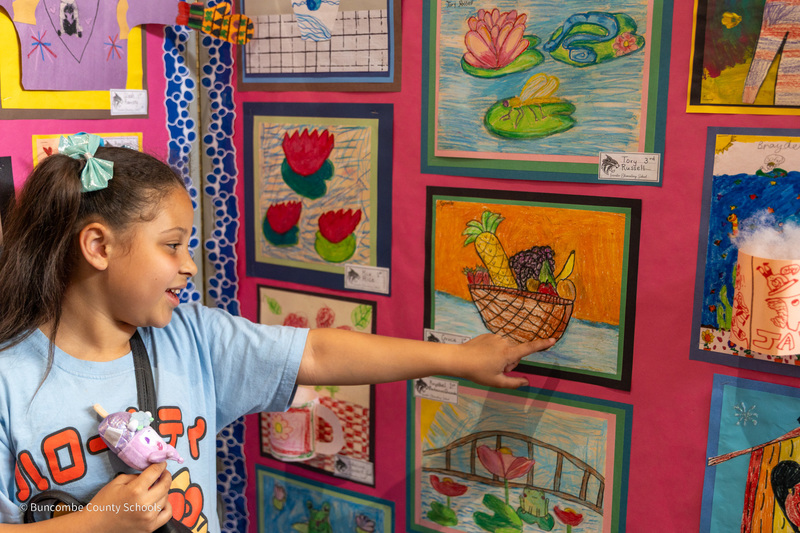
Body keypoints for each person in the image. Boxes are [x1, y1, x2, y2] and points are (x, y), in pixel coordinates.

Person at [0, 134, 554, 532]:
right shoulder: (8, 378)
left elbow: (318, 352)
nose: (189, 264)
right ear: (98, 247)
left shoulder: (194, 340)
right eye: (172, 245)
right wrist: (98, 524)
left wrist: (457, 359)